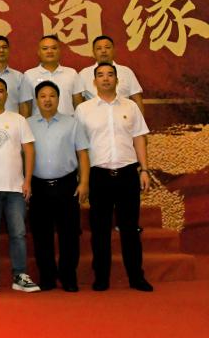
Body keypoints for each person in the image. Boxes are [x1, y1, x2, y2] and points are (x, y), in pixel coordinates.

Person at [75, 63, 154, 292]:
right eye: (100, 75)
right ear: (94, 82)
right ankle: (101, 277)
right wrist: (83, 178)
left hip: (127, 173)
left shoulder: (130, 106)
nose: (106, 78)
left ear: (117, 80)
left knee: (130, 229)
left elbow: (139, 138)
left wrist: (144, 169)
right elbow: (80, 147)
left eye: (110, 75)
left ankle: (136, 277)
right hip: (99, 175)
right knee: (100, 230)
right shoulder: (84, 109)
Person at [0, 78, 39, 293]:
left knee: (18, 233)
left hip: (15, 187)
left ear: (6, 95)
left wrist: (27, 180)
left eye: (0, 91)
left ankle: (20, 275)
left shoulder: (18, 119)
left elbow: (29, 150)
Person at [28, 81, 90, 292]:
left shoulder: (71, 123)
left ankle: (68, 276)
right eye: (43, 96)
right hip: (38, 186)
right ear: (37, 100)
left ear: (58, 98)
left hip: (66, 184)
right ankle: (47, 276)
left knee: (69, 234)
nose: (47, 100)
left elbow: (83, 154)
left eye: (52, 95)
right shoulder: (27, 124)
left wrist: (84, 182)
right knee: (41, 234)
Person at [77, 35, 144, 116]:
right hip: (95, 120)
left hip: (123, 119)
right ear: (93, 52)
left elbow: (137, 101)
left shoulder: (126, 72)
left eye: (107, 47)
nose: (103, 51)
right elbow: (78, 102)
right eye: (99, 48)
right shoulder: (84, 74)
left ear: (114, 50)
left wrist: (140, 122)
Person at [22, 35, 83, 117]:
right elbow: (26, 106)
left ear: (59, 51)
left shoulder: (72, 73)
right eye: (45, 48)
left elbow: (78, 105)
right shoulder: (29, 75)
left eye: (54, 48)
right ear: (39, 52)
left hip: (68, 122)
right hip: (39, 123)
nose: (49, 51)